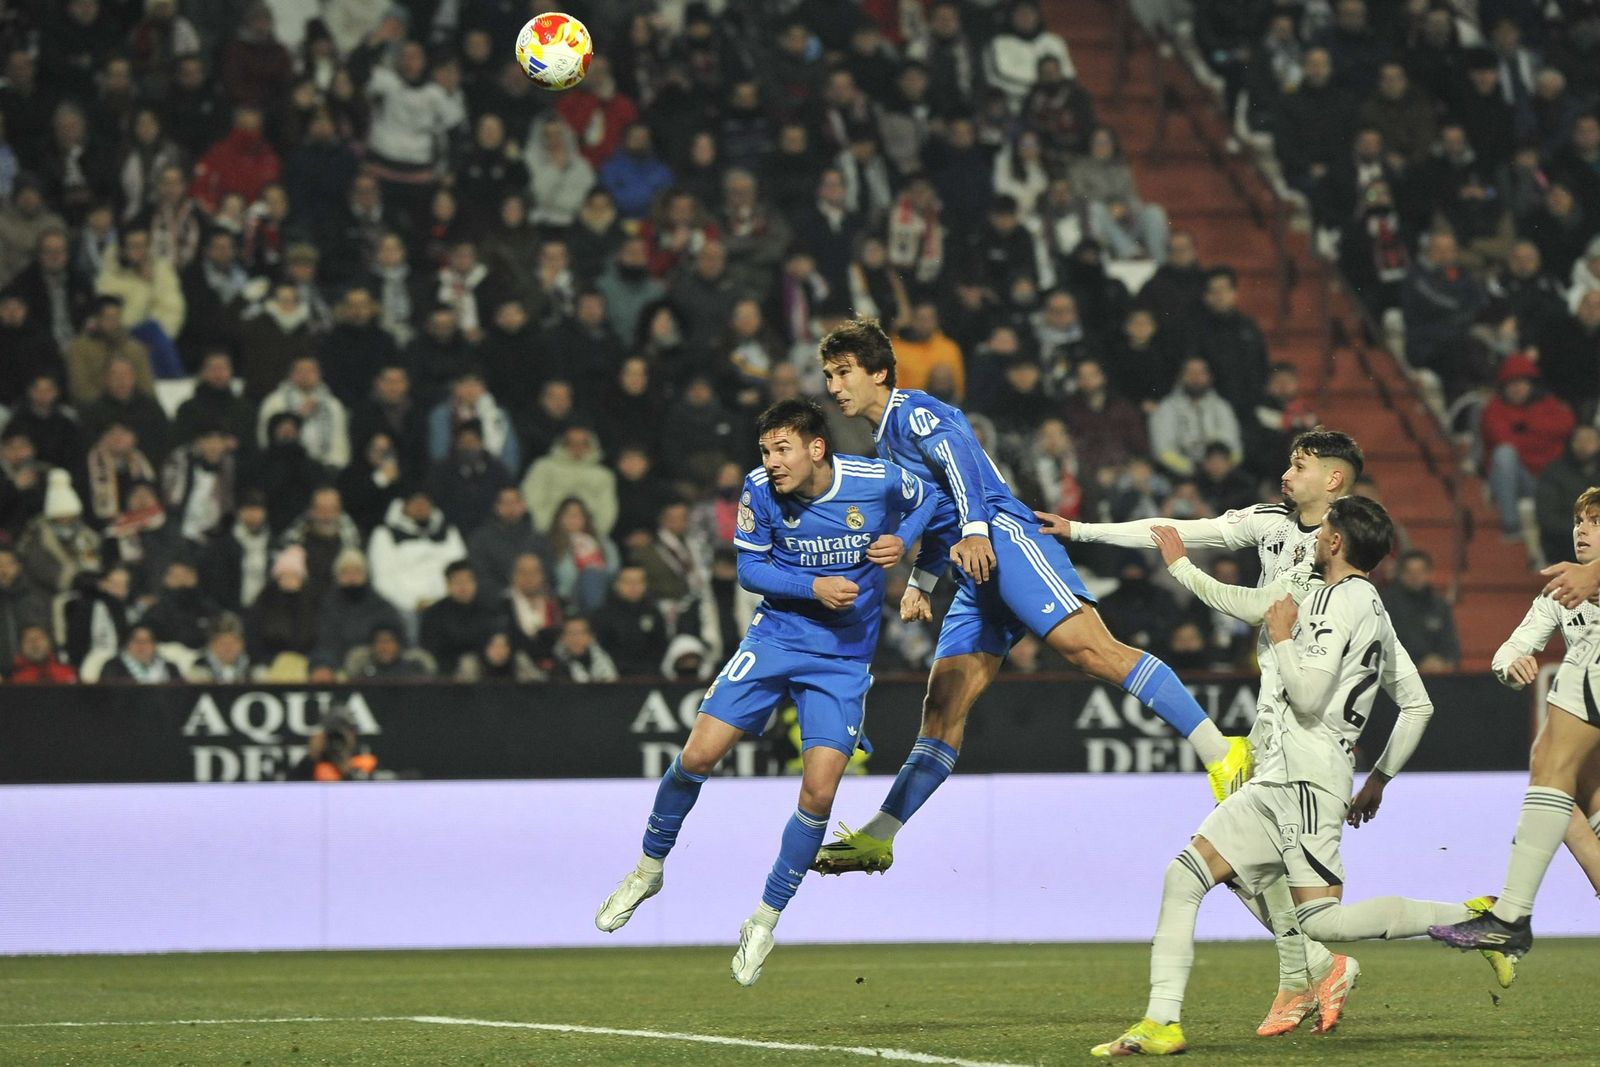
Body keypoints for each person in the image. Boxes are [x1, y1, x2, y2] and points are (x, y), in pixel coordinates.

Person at [811, 318, 1249, 876]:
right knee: (942, 707)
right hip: (972, 567)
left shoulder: (919, 412)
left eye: (844, 372)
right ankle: (881, 835)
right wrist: (922, 582)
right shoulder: (886, 438)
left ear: (878, 372)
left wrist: (973, 530)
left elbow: (965, 471)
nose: (834, 386)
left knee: (1091, 652)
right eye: (828, 375)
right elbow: (934, 510)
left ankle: (1223, 751)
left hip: (1002, 537)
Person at [1093, 496, 1462, 1057]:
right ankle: (1165, 1019)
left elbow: (1310, 692)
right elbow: (1417, 704)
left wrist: (1281, 632)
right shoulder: (1356, 601)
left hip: (1308, 775)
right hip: (1279, 770)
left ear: (1335, 538)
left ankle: (1475, 917)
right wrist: (1378, 780)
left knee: (1322, 919)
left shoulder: (1344, 599)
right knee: (1190, 875)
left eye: (1301, 466)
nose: (1289, 480)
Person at [594, 398, 935, 985]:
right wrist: (813, 585)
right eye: (766, 451)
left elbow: (931, 495)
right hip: (776, 636)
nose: (771, 462)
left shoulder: (873, 478)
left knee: (821, 794)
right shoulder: (759, 489)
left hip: (842, 660)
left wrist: (904, 541)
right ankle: (649, 868)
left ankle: (765, 918)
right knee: (698, 755)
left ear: (816, 449)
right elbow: (751, 569)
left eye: (782, 450)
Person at [1048, 429, 1367, 1034]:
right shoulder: (1271, 521)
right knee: (1254, 868)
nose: (1286, 473)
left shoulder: (1342, 548)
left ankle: (1351, 955)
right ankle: (1305, 975)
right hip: (1272, 720)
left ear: (1334, 479)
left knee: (1255, 869)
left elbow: (1253, 603)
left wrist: (1182, 571)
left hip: (1312, 728)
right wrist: (1081, 531)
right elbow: (1178, 528)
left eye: (1300, 465)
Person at [1430, 487, 1600, 966]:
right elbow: (1509, 650)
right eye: (1579, 521)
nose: (1582, 529)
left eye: (1595, 521)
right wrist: (1513, 664)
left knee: (1551, 766)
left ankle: (1510, 919)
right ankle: (1511, 918)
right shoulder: (1562, 592)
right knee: (1567, 792)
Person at [1382, 550, 1461, 672]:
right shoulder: (1386, 605)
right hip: (1397, 675)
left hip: (1437, 676)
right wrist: (1416, 665)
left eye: (1420, 572)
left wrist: (1445, 662)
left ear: (1430, 573)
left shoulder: (1440, 606)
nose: (1415, 577)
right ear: (1400, 574)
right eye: (1410, 572)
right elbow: (1384, 646)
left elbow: (1450, 644)